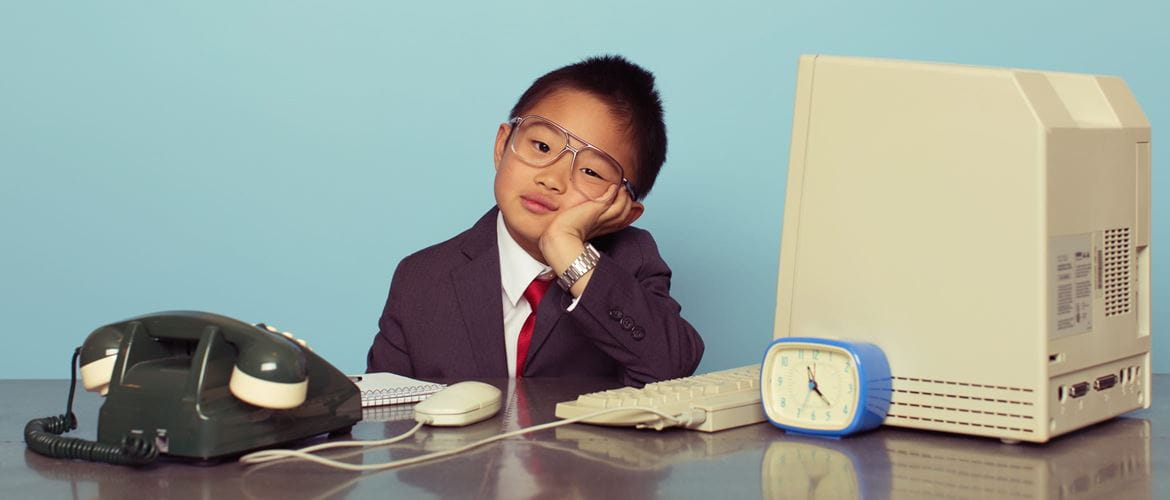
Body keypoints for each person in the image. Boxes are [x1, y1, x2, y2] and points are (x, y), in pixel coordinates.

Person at [366, 55, 703, 386]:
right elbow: (384, 417)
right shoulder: (421, 280)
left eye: (591, 171)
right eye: (542, 146)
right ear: (502, 145)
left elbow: (671, 368)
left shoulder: (631, 260)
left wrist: (567, 248)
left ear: (623, 211)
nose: (552, 179)